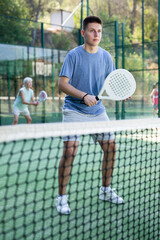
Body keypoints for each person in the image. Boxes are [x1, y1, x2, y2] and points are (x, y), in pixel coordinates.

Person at [56, 15, 124, 215]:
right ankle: (61, 198)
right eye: (93, 31)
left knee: (111, 148)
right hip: (73, 110)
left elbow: (112, 82)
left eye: (100, 31)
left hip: (97, 111)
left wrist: (121, 93)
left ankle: (105, 190)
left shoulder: (106, 57)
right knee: (70, 151)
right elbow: (62, 84)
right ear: (83, 33)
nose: (97, 34)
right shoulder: (73, 55)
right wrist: (84, 95)